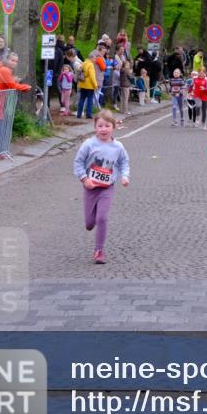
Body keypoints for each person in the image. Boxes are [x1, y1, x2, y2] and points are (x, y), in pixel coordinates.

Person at [73, 109, 130, 264]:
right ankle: (91, 223)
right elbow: (78, 163)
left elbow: (124, 162)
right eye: (100, 126)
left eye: (107, 126)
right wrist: (84, 179)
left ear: (114, 127)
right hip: (90, 187)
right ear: (95, 127)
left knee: (102, 218)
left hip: (107, 187)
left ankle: (99, 250)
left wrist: (125, 176)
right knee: (89, 223)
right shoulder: (89, 144)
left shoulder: (118, 147)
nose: (103, 129)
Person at [77, 51, 99, 119]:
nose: (95, 60)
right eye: (95, 58)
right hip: (89, 85)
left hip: (82, 84)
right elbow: (92, 76)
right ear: (91, 58)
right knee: (90, 100)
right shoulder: (90, 65)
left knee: (81, 99)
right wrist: (95, 85)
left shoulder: (83, 63)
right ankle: (88, 114)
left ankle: (79, 114)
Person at [118, 50, 133, 114]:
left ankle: (121, 110)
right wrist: (131, 72)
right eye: (128, 64)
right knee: (126, 98)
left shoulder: (121, 70)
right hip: (126, 85)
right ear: (126, 65)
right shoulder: (126, 70)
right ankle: (125, 111)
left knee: (122, 98)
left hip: (122, 84)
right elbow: (131, 77)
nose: (129, 65)